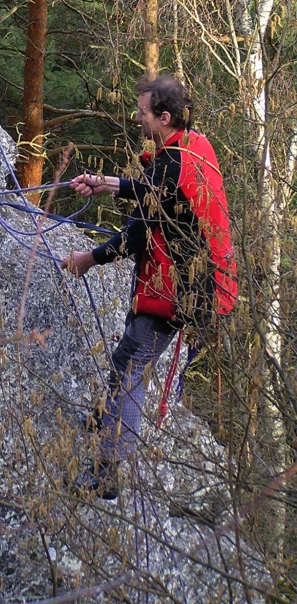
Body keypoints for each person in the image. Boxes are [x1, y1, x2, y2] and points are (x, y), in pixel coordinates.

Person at [60, 75, 236, 499]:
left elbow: (138, 233)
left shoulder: (173, 165)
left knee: (131, 367)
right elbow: (156, 190)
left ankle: (106, 472)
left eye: (142, 112)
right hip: (202, 284)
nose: (136, 117)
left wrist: (88, 259)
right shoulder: (194, 146)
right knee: (128, 356)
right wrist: (108, 183)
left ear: (164, 116)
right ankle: (107, 421)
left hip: (187, 292)